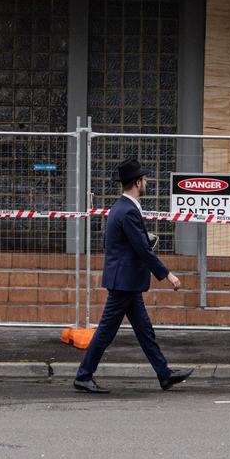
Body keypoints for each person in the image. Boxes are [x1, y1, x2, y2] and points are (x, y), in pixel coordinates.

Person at [74, 157, 194, 394]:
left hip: (126, 280)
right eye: (145, 179)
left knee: (144, 330)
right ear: (138, 183)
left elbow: (125, 243)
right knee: (106, 332)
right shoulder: (127, 211)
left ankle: (164, 374)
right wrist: (168, 274)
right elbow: (141, 248)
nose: (147, 182)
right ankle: (83, 376)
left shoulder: (122, 208)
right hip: (124, 282)